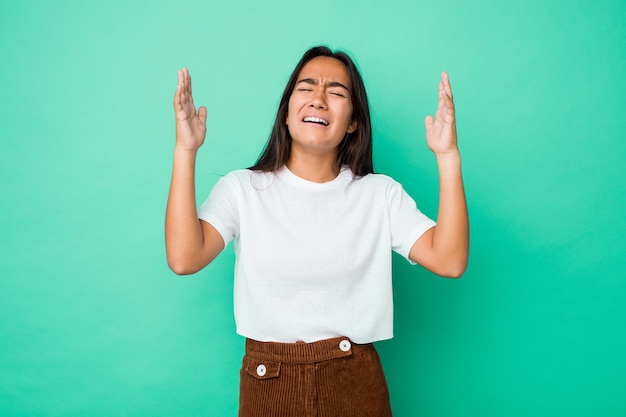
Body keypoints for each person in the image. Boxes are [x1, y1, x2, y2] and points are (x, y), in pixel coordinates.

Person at [165, 46, 468, 417]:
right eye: (306, 88)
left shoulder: (379, 194)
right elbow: (183, 258)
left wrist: (448, 156)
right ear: (287, 113)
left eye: (337, 92)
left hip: (355, 380)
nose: (319, 99)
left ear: (353, 121)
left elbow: (450, 260)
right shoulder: (241, 190)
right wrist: (186, 149)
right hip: (268, 382)